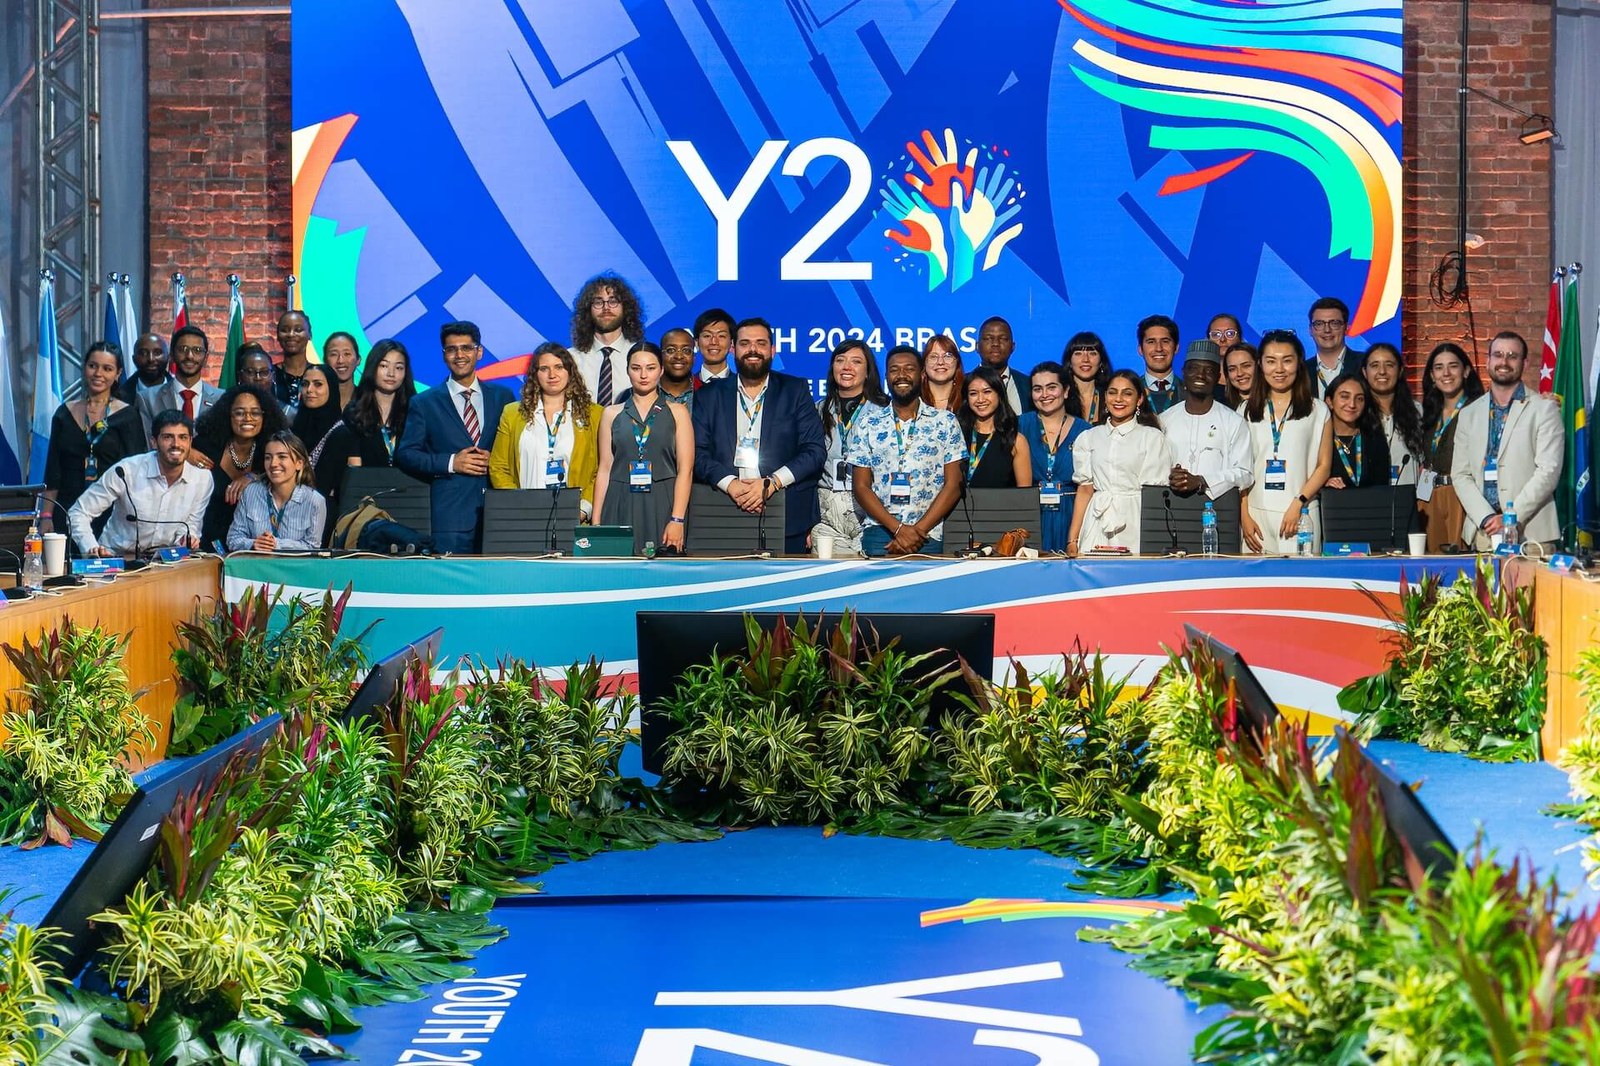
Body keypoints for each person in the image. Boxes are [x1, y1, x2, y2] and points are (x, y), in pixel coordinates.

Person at [692, 317, 827, 555]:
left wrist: (772, 482)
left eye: (760, 343)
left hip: (785, 513)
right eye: (745, 343)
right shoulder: (709, 395)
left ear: (772, 350)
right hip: (723, 512)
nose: (752, 350)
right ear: (734, 349)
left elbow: (814, 451)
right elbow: (697, 453)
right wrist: (730, 484)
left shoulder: (795, 390)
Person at [395, 321, 514, 554]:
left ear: (479, 352)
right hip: (451, 517)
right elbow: (406, 454)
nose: (459, 355)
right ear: (443, 355)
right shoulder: (424, 402)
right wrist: (452, 463)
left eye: (466, 348)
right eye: (451, 349)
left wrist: (498, 459)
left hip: (499, 511)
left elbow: (517, 448)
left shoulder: (504, 397)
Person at [846, 346, 965, 556]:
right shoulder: (868, 423)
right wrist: (898, 529)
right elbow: (861, 486)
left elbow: (953, 484)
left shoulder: (945, 422)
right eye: (894, 370)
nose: (901, 375)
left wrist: (916, 532)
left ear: (921, 375)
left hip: (928, 533)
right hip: (880, 531)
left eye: (909, 369)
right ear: (886, 376)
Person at [1450, 331, 1563, 550]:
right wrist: (1486, 518)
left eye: (1512, 356)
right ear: (1488, 361)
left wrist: (1511, 518)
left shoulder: (1544, 409)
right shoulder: (1468, 414)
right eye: (1498, 355)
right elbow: (1460, 474)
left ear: (1525, 363)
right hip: (1483, 533)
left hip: (1531, 533)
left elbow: (1548, 471)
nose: (1504, 361)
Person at [593, 344, 694, 555]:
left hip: (662, 502)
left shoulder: (677, 412)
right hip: (619, 500)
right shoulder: (611, 413)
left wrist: (677, 519)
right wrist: (596, 522)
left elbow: (686, 470)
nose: (643, 375)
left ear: (661, 370)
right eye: (636, 368)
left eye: (650, 368)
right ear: (628, 370)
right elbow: (604, 468)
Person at [66, 410, 211, 556]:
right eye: (168, 437)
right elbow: (78, 512)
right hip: (117, 560)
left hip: (165, 563)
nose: (176, 444)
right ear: (154, 442)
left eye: (183, 437)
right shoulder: (126, 471)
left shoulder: (203, 479)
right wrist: (91, 548)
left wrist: (186, 539)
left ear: (190, 442)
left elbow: (191, 526)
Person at [1240, 330, 1332, 554]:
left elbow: (1323, 466)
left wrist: (1299, 502)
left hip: (1301, 514)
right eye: (1271, 361)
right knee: (1256, 586)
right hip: (1256, 514)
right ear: (1260, 365)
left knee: (1302, 585)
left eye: (1287, 361)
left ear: (1299, 364)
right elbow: (1239, 468)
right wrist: (1244, 516)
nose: (1279, 369)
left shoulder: (1317, 410)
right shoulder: (1245, 410)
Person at [489, 342, 603, 518]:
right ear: (535, 375)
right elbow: (498, 466)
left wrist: (583, 508)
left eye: (559, 367)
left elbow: (601, 468)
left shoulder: (594, 414)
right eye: (544, 369)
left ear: (570, 371)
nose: (552, 375)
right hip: (524, 514)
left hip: (573, 515)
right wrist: (516, 503)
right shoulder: (512, 413)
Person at [42, 341, 146, 532]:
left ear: (118, 374)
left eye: (107, 368)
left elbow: (137, 472)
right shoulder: (64, 413)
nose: (98, 374)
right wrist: (46, 516)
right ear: (85, 368)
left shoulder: (128, 416)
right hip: (66, 510)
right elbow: (53, 471)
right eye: (93, 366)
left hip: (112, 514)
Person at [1067, 370, 1173, 554]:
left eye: (1127, 393)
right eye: (1113, 392)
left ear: (1139, 400)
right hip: (1097, 520)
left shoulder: (1152, 438)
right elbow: (1084, 490)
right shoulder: (1088, 437)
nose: (1119, 399)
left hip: (1136, 519)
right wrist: (1072, 540)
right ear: (1105, 397)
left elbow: (1153, 493)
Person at [813, 338, 887, 557]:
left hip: (871, 511)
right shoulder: (817, 410)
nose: (846, 367)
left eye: (856, 361)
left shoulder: (884, 411)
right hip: (828, 512)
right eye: (840, 360)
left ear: (868, 371)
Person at [193, 384, 288, 547]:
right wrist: (188, 452)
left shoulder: (271, 448)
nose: (248, 418)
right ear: (227, 415)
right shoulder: (206, 445)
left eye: (255, 412)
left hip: (255, 542)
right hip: (205, 539)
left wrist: (254, 476)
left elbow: (291, 476)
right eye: (239, 413)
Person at [1159, 340, 1253, 501]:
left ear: (1218, 377)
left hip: (1217, 511)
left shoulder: (1233, 422)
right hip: (1170, 508)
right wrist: (1170, 475)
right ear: (1183, 372)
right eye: (1193, 369)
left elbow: (1245, 474)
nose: (1200, 375)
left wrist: (1202, 481)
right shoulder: (1165, 420)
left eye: (1208, 370)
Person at [1418, 341, 1484, 551]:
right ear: (1431, 376)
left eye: (1453, 366)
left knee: (1460, 561)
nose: (1446, 373)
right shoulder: (1428, 412)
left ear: (1465, 371)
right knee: (1430, 563)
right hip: (1429, 494)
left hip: (1461, 494)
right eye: (1438, 367)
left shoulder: (1479, 408)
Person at [1017, 361, 1089, 553]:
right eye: (1037, 389)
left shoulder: (1086, 431)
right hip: (1031, 514)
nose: (1045, 395)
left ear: (1065, 391)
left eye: (1051, 387)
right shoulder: (1019, 426)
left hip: (1072, 515)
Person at [226, 431, 327, 552]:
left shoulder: (315, 501)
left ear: (299, 464)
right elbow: (233, 538)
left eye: (282, 457)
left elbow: (313, 547)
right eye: (268, 457)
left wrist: (277, 544)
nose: (273, 464)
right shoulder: (251, 492)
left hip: (293, 568)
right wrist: (253, 544)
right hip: (256, 566)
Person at [570, 273, 644, 405]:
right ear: (588, 310)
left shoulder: (642, 357)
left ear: (626, 308)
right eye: (598, 302)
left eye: (613, 301)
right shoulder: (571, 359)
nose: (606, 308)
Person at [137, 325, 222, 434]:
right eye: (183, 349)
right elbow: (149, 444)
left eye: (197, 350)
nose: (190, 356)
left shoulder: (221, 399)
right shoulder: (147, 398)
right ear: (172, 355)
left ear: (206, 358)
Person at [1362, 342, 1424, 485]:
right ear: (1365, 372)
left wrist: (1423, 498)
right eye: (1374, 365)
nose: (1382, 371)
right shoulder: (1357, 412)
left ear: (1400, 370)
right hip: (1369, 501)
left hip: (1409, 502)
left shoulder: (1417, 411)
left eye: (1389, 365)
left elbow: (1426, 464)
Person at [960, 366, 1032, 487]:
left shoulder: (1016, 441)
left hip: (1002, 505)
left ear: (999, 394)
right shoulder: (957, 436)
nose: (980, 399)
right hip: (960, 506)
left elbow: (1024, 496)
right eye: (973, 394)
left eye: (987, 392)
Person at [291, 364, 345, 512]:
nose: (309, 390)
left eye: (318, 384)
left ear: (332, 389)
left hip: (324, 513)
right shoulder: (295, 428)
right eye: (305, 384)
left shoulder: (341, 433)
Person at [1323, 373, 1391, 489]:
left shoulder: (1374, 439)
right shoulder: (1319, 439)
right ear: (1329, 401)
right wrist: (1322, 485)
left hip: (1369, 505)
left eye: (1359, 399)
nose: (1352, 404)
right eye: (1344, 396)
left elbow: (1382, 486)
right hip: (1329, 505)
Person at [976, 316, 1032, 414]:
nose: (996, 343)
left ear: (1013, 347)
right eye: (988, 338)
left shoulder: (1028, 385)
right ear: (977, 346)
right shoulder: (961, 384)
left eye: (1003, 339)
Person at [1306, 296, 1363, 390]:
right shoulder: (1301, 371)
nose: (1327, 330)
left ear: (1346, 328)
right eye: (1319, 324)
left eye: (1334, 323)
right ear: (1310, 330)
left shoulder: (1365, 363)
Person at [118, 332, 170, 417]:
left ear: (168, 357)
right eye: (143, 353)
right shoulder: (119, 397)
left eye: (157, 353)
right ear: (134, 359)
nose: (151, 359)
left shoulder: (180, 393)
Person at [1062, 331, 1109, 424]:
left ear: (1101, 362)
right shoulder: (1060, 397)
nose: (1086, 359)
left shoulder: (1111, 396)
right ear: (1069, 362)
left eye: (1092, 353)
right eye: (1078, 353)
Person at [1137, 314, 1181, 414]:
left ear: (1176, 348)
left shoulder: (1188, 392)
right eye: (1151, 342)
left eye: (1165, 341)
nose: (1158, 348)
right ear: (1140, 349)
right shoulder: (1131, 391)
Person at [272, 310, 313, 409]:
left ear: (310, 335)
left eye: (298, 330)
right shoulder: (269, 374)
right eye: (285, 330)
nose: (291, 334)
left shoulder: (319, 375)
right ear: (277, 336)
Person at [921, 334, 966, 414]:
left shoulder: (968, 399)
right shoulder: (915, 400)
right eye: (933, 357)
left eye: (947, 356)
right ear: (924, 364)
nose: (940, 362)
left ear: (957, 362)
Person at [658, 328, 698, 412]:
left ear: (694, 358)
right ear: (660, 355)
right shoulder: (639, 393)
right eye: (671, 350)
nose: (679, 356)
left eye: (686, 350)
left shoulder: (708, 394)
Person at [694, 308, 735, 384]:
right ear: (696, 343)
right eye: (707, 336)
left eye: (721, 336)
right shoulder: (687, 387)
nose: (714, 342)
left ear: (732, 343)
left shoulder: (741, 386)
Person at [322, 332, 360, 411]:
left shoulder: (368, 400)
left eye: (347, 354)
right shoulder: (316, 399)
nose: (340, 360)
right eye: (334, 354)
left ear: (358, 360)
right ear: (325, 361)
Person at [1223, 342, 1259, 410]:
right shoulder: (1221, 407)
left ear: (1259, 365)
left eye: (1246, 366)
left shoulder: (1275, 402)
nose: (1240, 373)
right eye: (1232, 369)